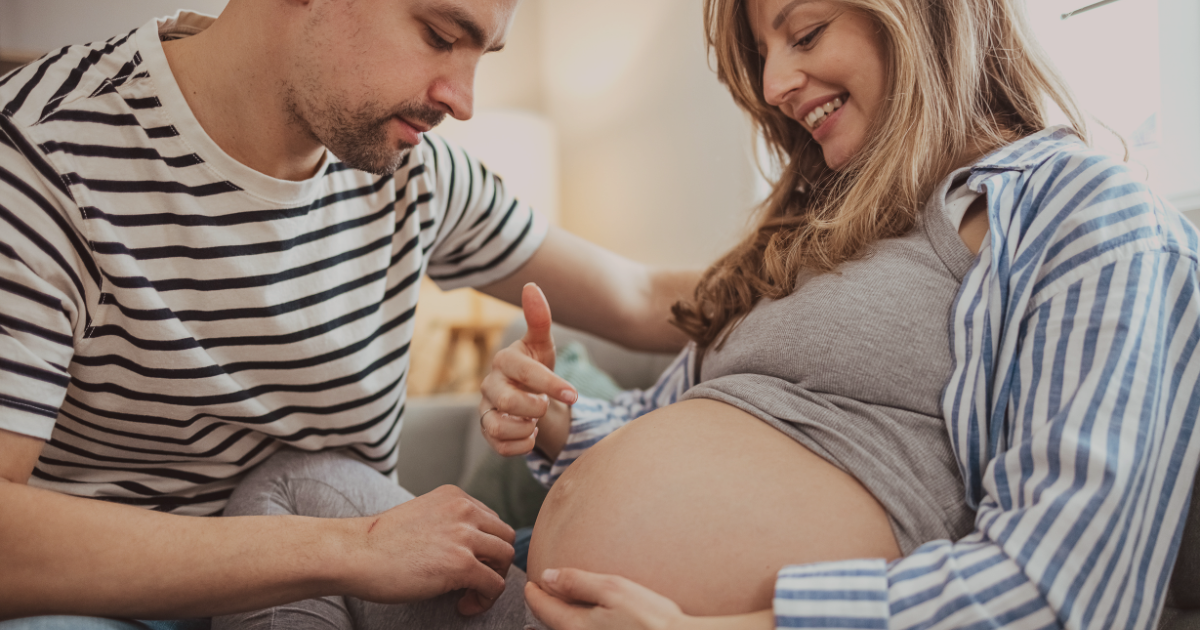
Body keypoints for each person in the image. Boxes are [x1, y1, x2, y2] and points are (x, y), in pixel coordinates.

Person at [478, 0, 1200, 628]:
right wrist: (555, 419)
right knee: (365, 512)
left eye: (808, 33)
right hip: (543, 593)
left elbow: (1063, 591)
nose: (772, 85)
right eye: (764, 54)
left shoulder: (1087, 214)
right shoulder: (802, 241)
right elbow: (684, 418)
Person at [0, 0, 698, 627]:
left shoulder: (416, 174)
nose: (462, 101)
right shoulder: (44, 150)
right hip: (104, 603)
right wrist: (352, 546)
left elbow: (639, 299)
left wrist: (805, 254)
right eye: (438, 34)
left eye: (480, 54)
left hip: (342, 592)